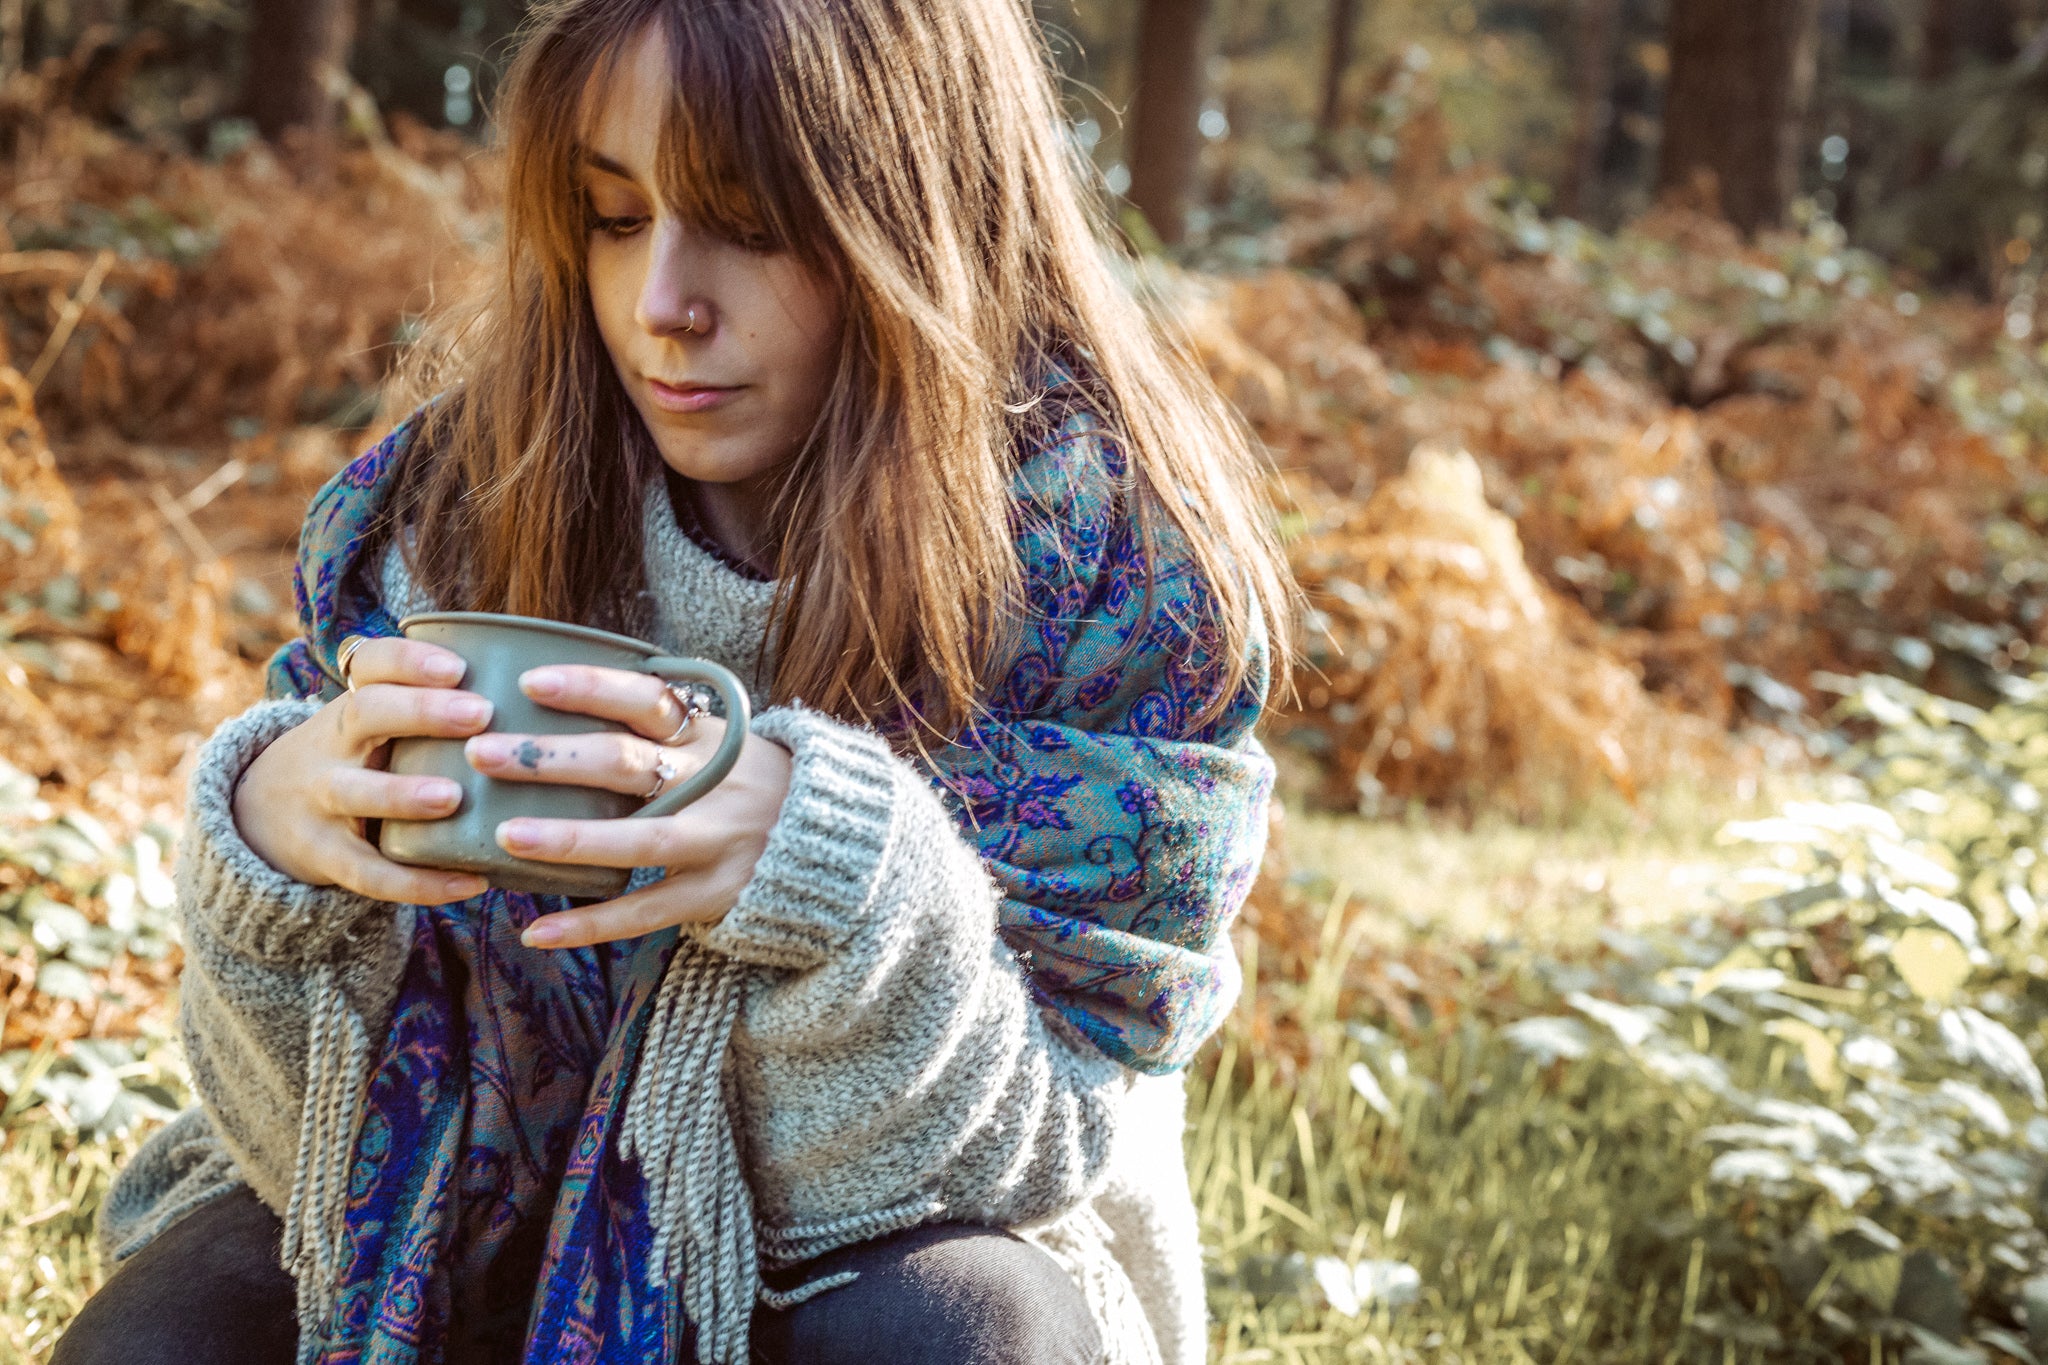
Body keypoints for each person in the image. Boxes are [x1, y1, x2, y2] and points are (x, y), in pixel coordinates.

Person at [59, 1, 1290, 1361]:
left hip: (910, 1251)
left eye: (750, 222)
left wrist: (850, 888)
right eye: (614, 216)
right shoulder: (447, 519)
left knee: (961, 1325)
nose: (664, 305)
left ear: (920, 208)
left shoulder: (1114, 589)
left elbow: (1043, 1145)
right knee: (173, 1326)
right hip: (470, 1235)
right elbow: (303, 1165)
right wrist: (271, 872)